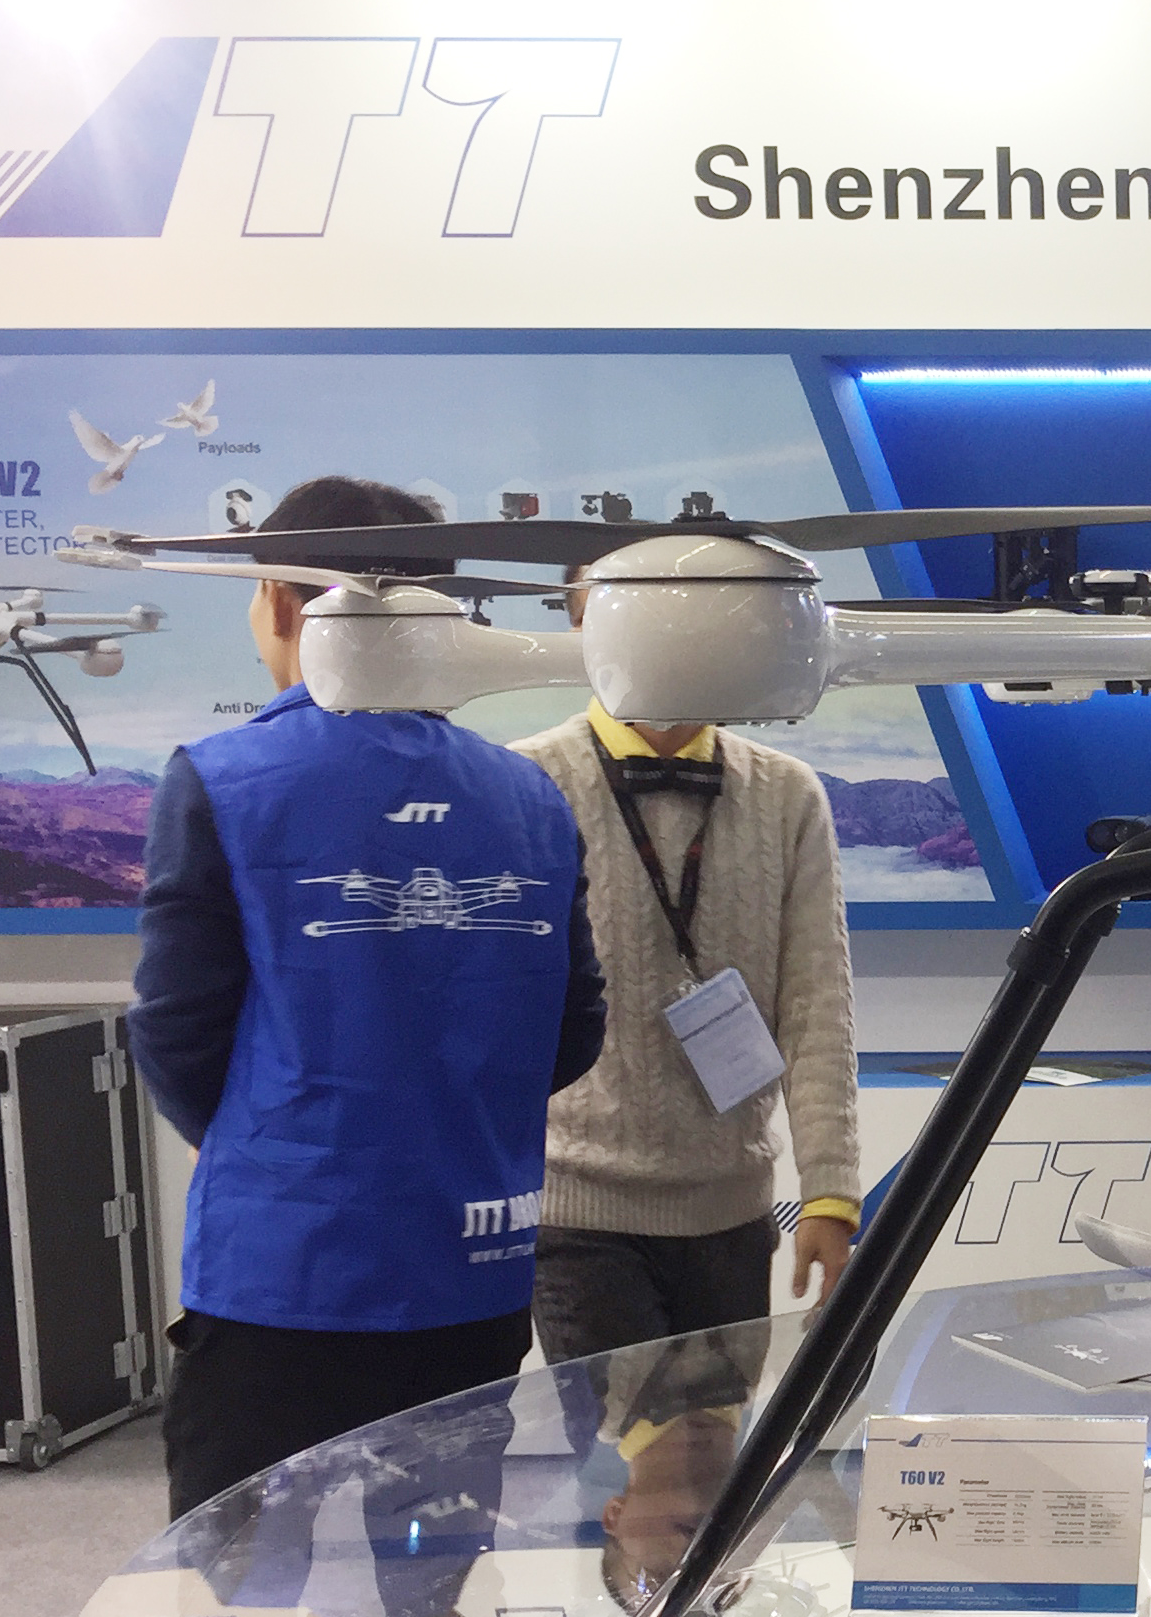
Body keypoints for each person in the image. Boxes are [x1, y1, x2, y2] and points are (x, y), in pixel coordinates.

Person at [132, 478, 608, 1521]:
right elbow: (575, 1031)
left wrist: (274, 1144)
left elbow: (174, 1029)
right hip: (473, 1273)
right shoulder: (531, 796)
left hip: (284, 1269)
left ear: (282, 602)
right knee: (429, 1567)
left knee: (237, 1580)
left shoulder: (222, 778)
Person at [512, 582, 862, 1368]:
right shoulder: (528, 781)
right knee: (621, 1441)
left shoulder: (787, 795)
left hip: (731, 1209)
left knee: (719, 1442)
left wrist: (830, 1193)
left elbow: (818, 1003)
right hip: (576, 1209)